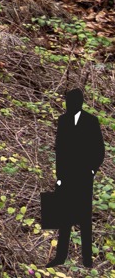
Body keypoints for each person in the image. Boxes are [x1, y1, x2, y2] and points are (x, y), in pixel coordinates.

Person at [53, 87, 105, 266]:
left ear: (80, 103)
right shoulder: (63, 120)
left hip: (83, 176)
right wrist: (59, 176)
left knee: (84, 217)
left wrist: (91, 170)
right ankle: (60, 257)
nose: (69, 105)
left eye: (73, 102)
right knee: (64, 217)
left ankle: (87, 259)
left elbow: (100, 150)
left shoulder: (91, 121)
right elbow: (59, 150)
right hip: (66, 176)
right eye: (67, 102)